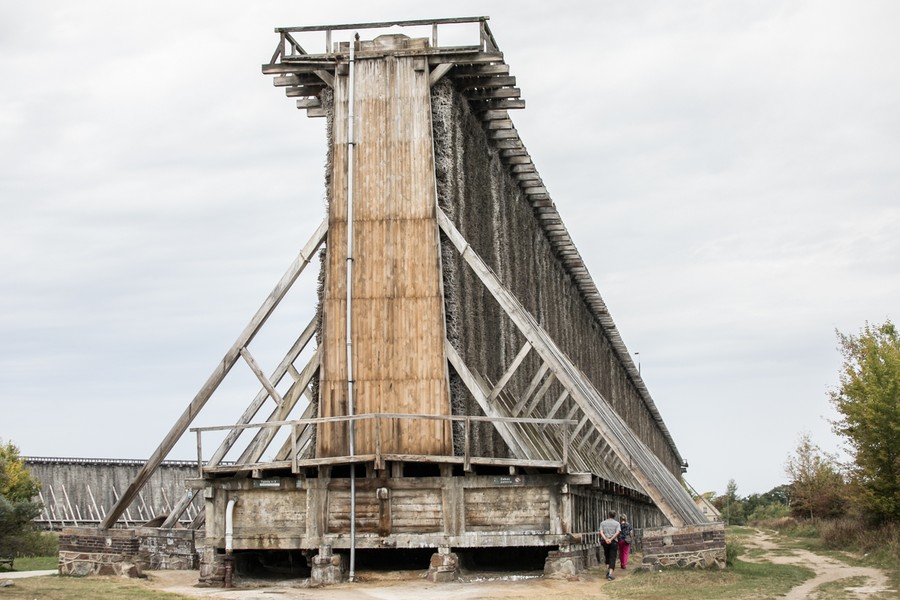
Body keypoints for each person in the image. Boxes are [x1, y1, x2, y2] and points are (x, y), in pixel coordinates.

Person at [599, 510, 620, 580]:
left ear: (608, 515)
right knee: (612, 557)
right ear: (614, 516)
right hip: (613, 542)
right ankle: (610, 574)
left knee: (607, 556)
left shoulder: (603, 523)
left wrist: (605, 539)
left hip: (605, 542)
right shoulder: (617, 523)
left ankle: (608, 571)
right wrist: (611, 539)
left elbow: (601, 532)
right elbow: (617, 532)